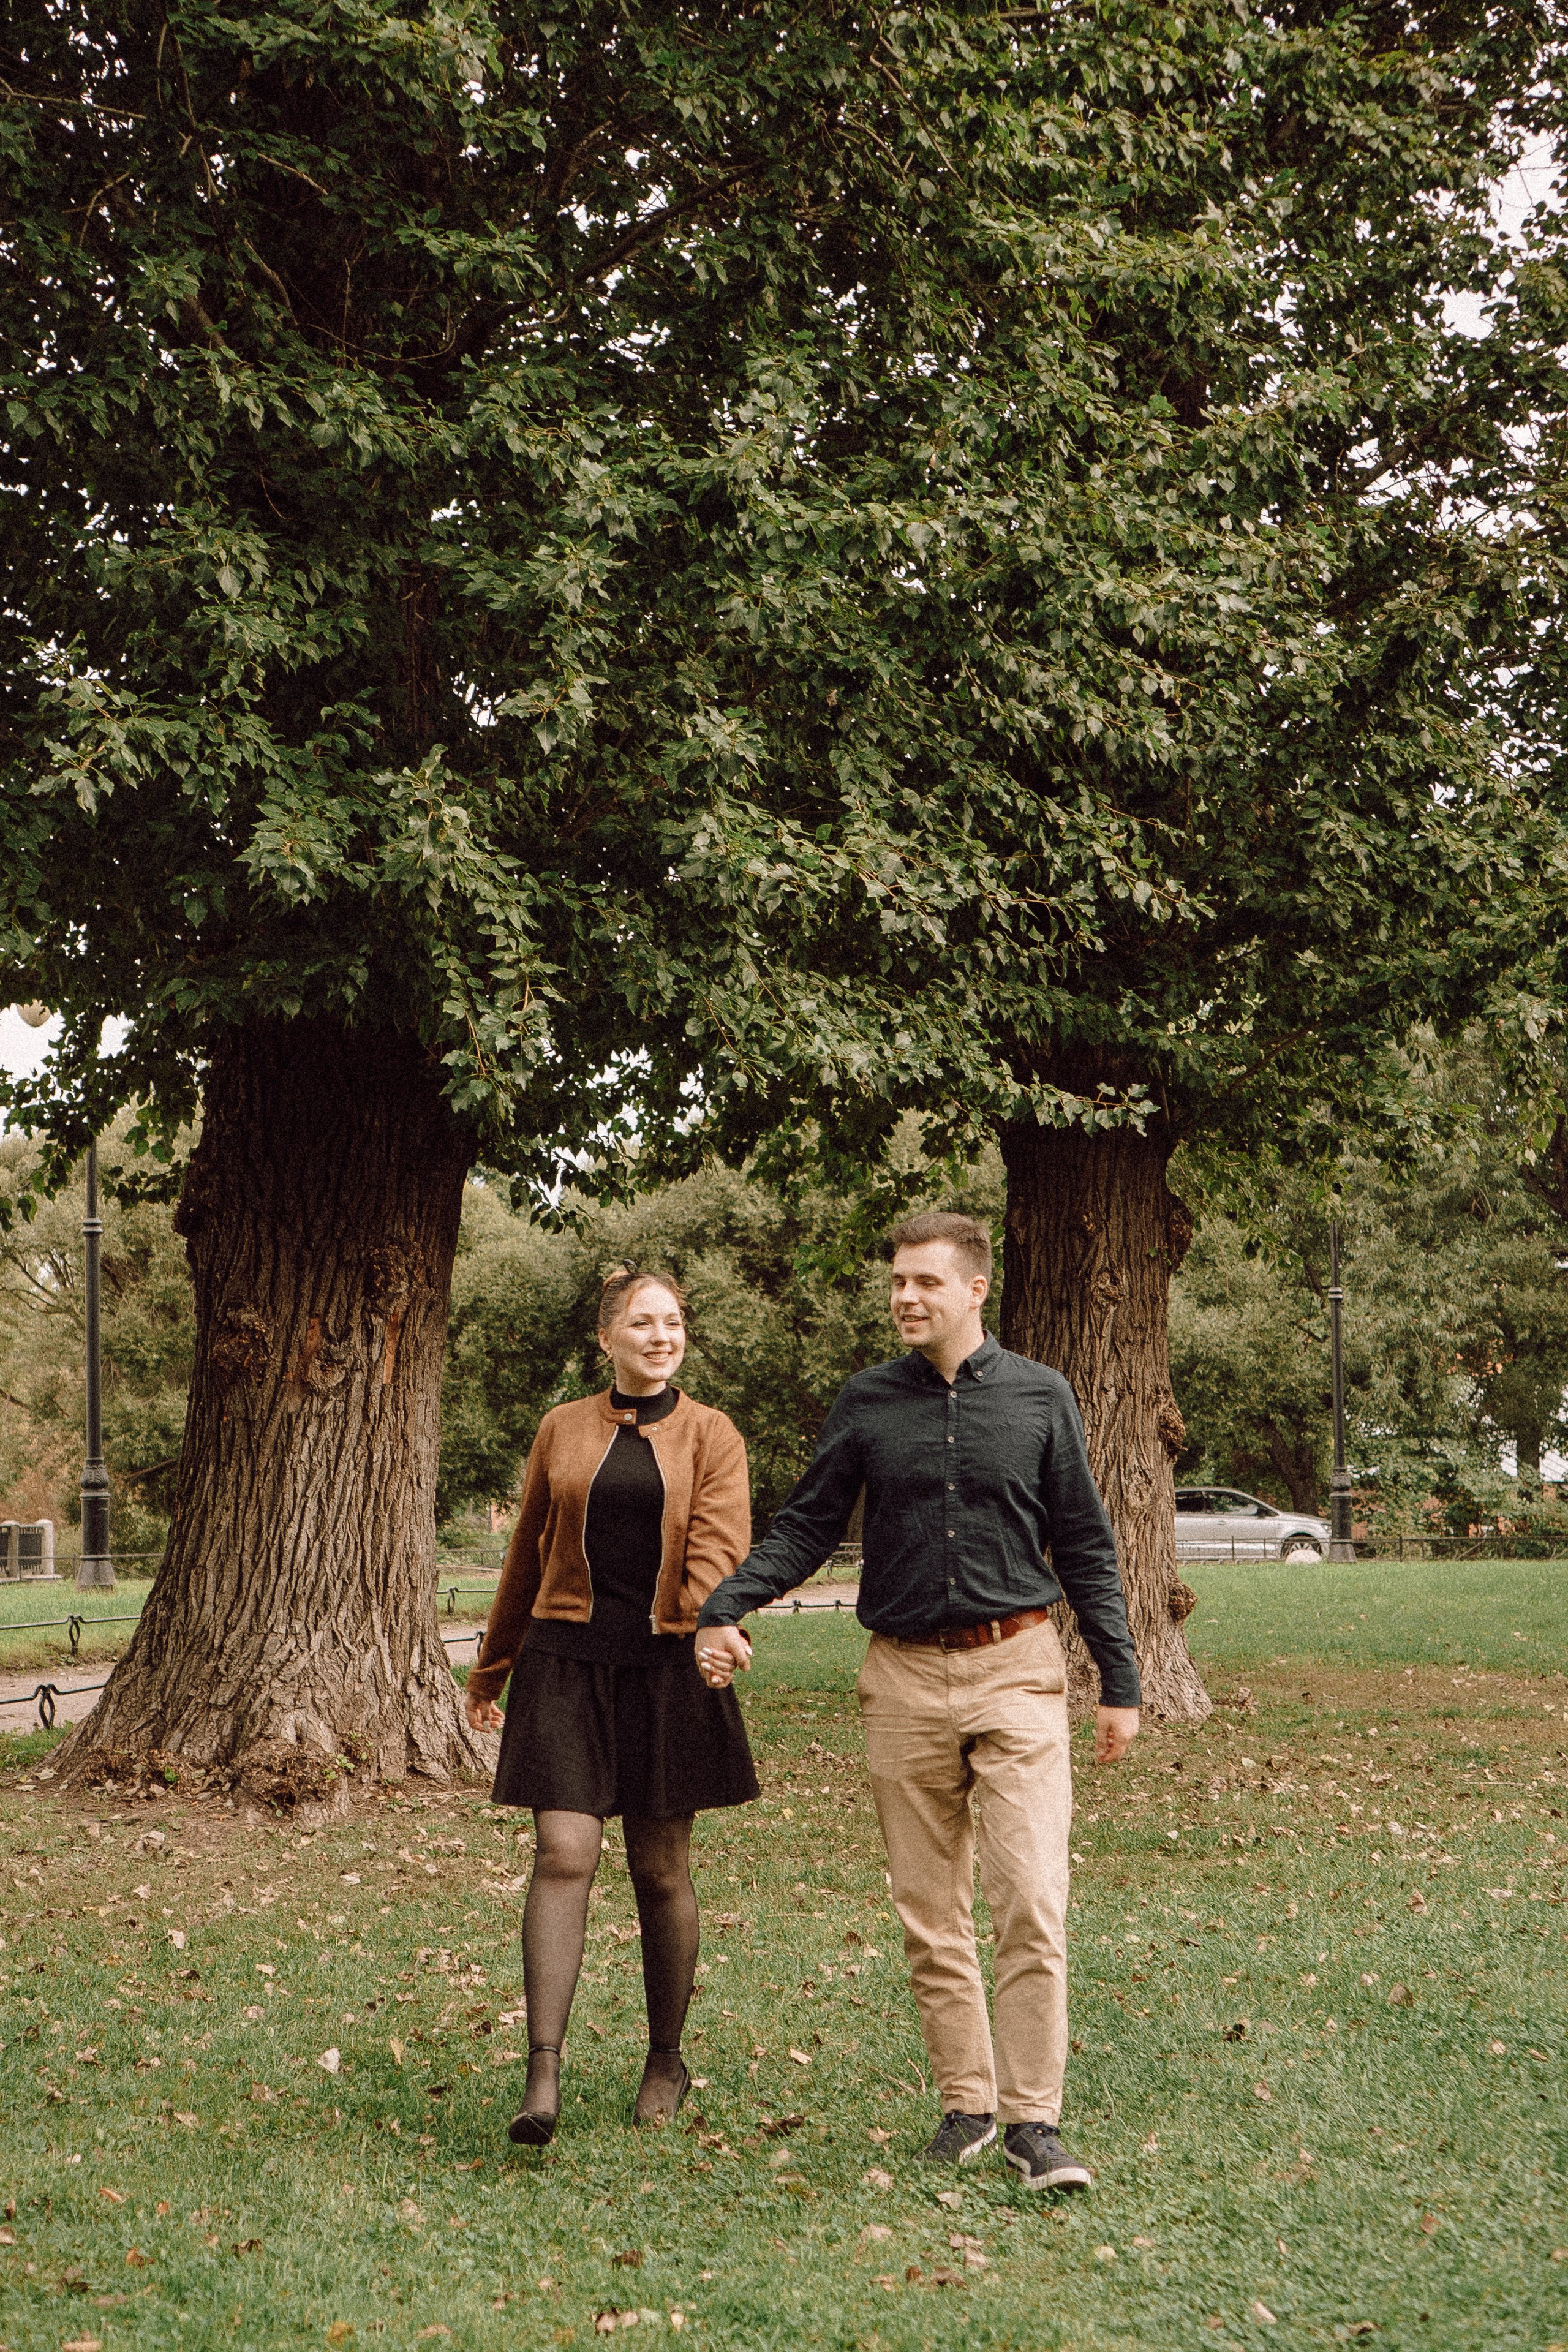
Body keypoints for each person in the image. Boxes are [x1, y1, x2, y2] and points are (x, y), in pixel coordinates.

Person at [695, 1210, 1140, 2191]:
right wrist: (725, 1603)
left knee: (1029, 1898)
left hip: (1017, 1667)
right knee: (931, 1910)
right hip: (898, 1677)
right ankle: (968, 2104)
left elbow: (1087, 1546)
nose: (905, 1297)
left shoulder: (1040, 1396)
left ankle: (1036, 2123)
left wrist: (1121, 1679)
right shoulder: (867, 1402)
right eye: (898, 1281)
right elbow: (806, 1526)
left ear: (976, 1289)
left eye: (926, 1283)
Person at [465, 1268, 758, 2144]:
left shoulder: (712, 1434)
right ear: (608, 1338)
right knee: (564, 1850)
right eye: (642, 1323)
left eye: (672, 1323)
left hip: (668, 1665)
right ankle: (543, 2069)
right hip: (565, 1662)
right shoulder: (562, 1427)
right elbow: (528, 1549)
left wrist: (714, 1625)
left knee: (660, 1869)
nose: (660, 1336)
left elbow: (721, 1543)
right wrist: (492, 1669)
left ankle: (665, 2056)